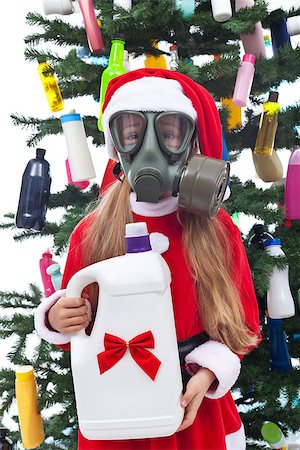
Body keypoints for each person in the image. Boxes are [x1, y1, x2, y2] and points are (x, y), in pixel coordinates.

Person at [35, 68, 261, 450]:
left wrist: (207, 373)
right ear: (116, 145)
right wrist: (58, 317)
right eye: (134, 134)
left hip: (193, 405)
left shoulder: (217, 229)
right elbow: (76, 319)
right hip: (118, 404)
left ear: (190, 144)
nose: (151, 151)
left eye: (169, 134)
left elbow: (243, 324)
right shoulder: (93, 231)